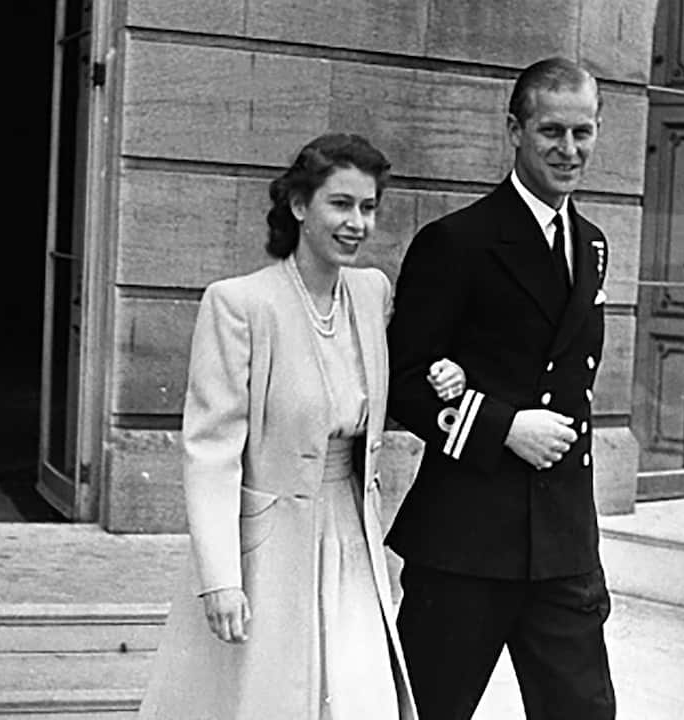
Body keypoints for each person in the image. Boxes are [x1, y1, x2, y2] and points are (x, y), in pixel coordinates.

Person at [139, 133, 462, 720]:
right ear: (298, 206)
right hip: (267, 549)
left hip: (352, 531)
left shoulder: (371, 292)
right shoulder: (240, 305)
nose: (357, 223)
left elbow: (387, 388)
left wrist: (448, 374)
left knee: (359, 698)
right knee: (270, 701)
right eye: (340, 204)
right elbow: (211, 452)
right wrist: (221, 578)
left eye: (368, 207)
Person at [385, 57, 616, 719]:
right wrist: (503, 427)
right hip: (467, 543)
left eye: (582, 132)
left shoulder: (592, 244)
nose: (568, 149)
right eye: (551, 131)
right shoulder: (457, 242)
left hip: (562, 542)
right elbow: (404, 380)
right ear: (514, 130)